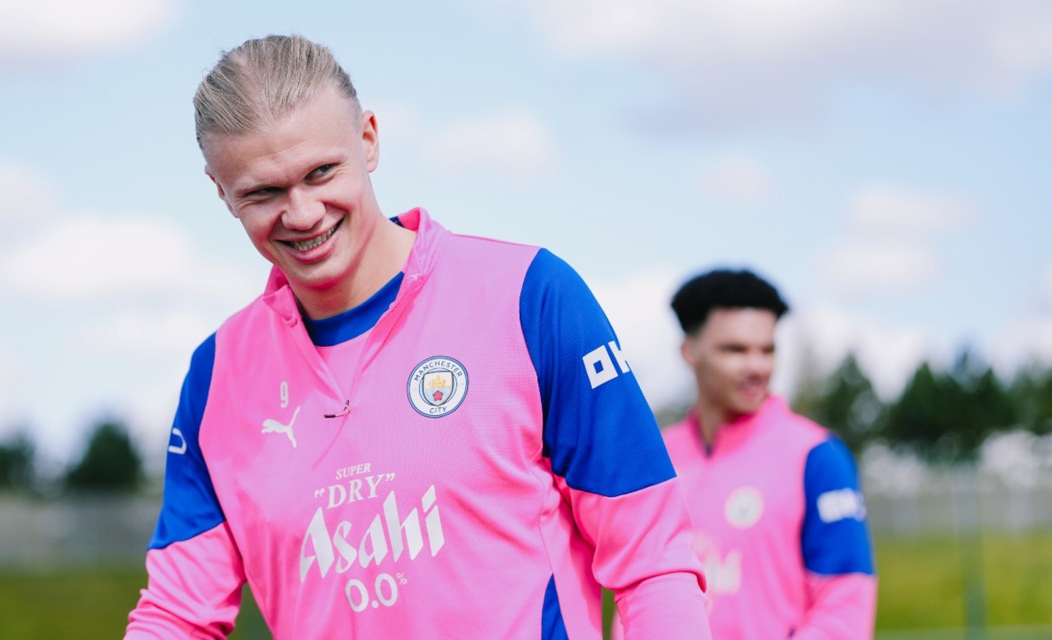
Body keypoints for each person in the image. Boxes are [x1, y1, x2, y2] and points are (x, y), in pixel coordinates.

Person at [125, 34, 709, 639]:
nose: (302, 214)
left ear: (369, 139)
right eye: (263, 192)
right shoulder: (217, 375)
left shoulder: (530, 296)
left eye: (321, 173)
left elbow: (654, 561)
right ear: (221, 192)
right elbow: (177, 614)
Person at [662, 268, 877, 638]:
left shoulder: (817, 456)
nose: (757, 367)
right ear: (690, 351)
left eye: (767, 350)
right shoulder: (655, 458)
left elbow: (845, 605)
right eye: (735, 350)